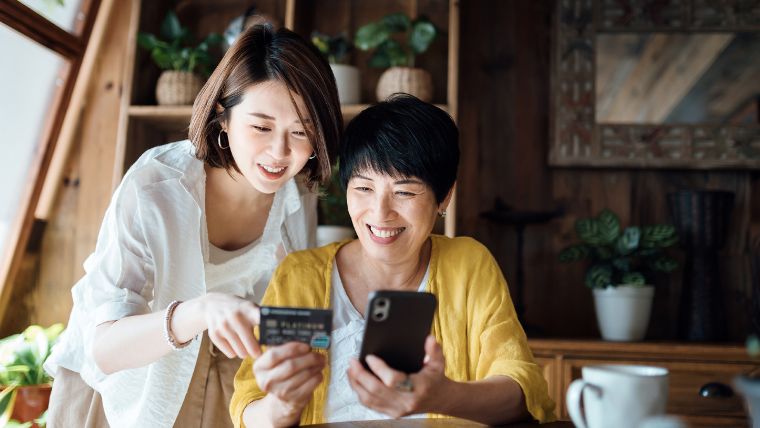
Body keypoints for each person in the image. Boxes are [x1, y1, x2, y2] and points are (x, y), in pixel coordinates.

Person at [44, 24, 342, 428]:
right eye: (261, 126)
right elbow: (104, 348)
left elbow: (292, 298)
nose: (280, 152)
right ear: (223, 115)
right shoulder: (155, 185)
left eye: (302, 131)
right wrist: (201, 310)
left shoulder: (297, 193)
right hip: (118, 387)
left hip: (217, 375)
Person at [230, 94, 555, 427]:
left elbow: (522, 389)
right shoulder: (300, 275)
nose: (380, 213)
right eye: (364, 189)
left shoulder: (468, 265)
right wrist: (281, 407)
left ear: (444, 196)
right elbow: (248, 405)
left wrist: (441, 395)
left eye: (404, 192)